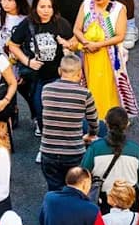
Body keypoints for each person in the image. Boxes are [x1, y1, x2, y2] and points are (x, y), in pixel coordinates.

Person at [9, 0, 74, 134]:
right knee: (40, 109)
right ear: (35, 8)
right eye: (42, 7)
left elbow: (73, 42)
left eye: (49, 7)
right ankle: (45, 138)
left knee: (61, 111)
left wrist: (67, 44)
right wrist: (27, 61)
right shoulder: (27, 24)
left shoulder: (61, 23)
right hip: (36, 77)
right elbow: (13, 45)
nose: (46, 11)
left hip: (58, 75)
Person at [72, 0, 130, 119]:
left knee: (109, 87)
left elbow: (120, 36)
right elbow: (76, 29)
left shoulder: (119, 9)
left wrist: (97, 44)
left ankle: (111, 119)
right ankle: (93, 117)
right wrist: (86, 43)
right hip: (88, 54)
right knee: (90, 86)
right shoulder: (86, 4)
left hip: (109, 55)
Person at [37, 55, 98, 190]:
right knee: (75, 189)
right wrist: (91, 134)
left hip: (49, 151)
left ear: (60, 71)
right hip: (74, 152)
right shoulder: (85, 94)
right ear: (80, 73)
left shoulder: (46, 90)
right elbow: (93, 121)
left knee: (54, 189)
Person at [82, 108, 139, 213]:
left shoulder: (95, 148)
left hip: (102, 201)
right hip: (130, 200)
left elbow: (83, 174)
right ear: (127, 124)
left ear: (106, 123)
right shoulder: (136, 150)